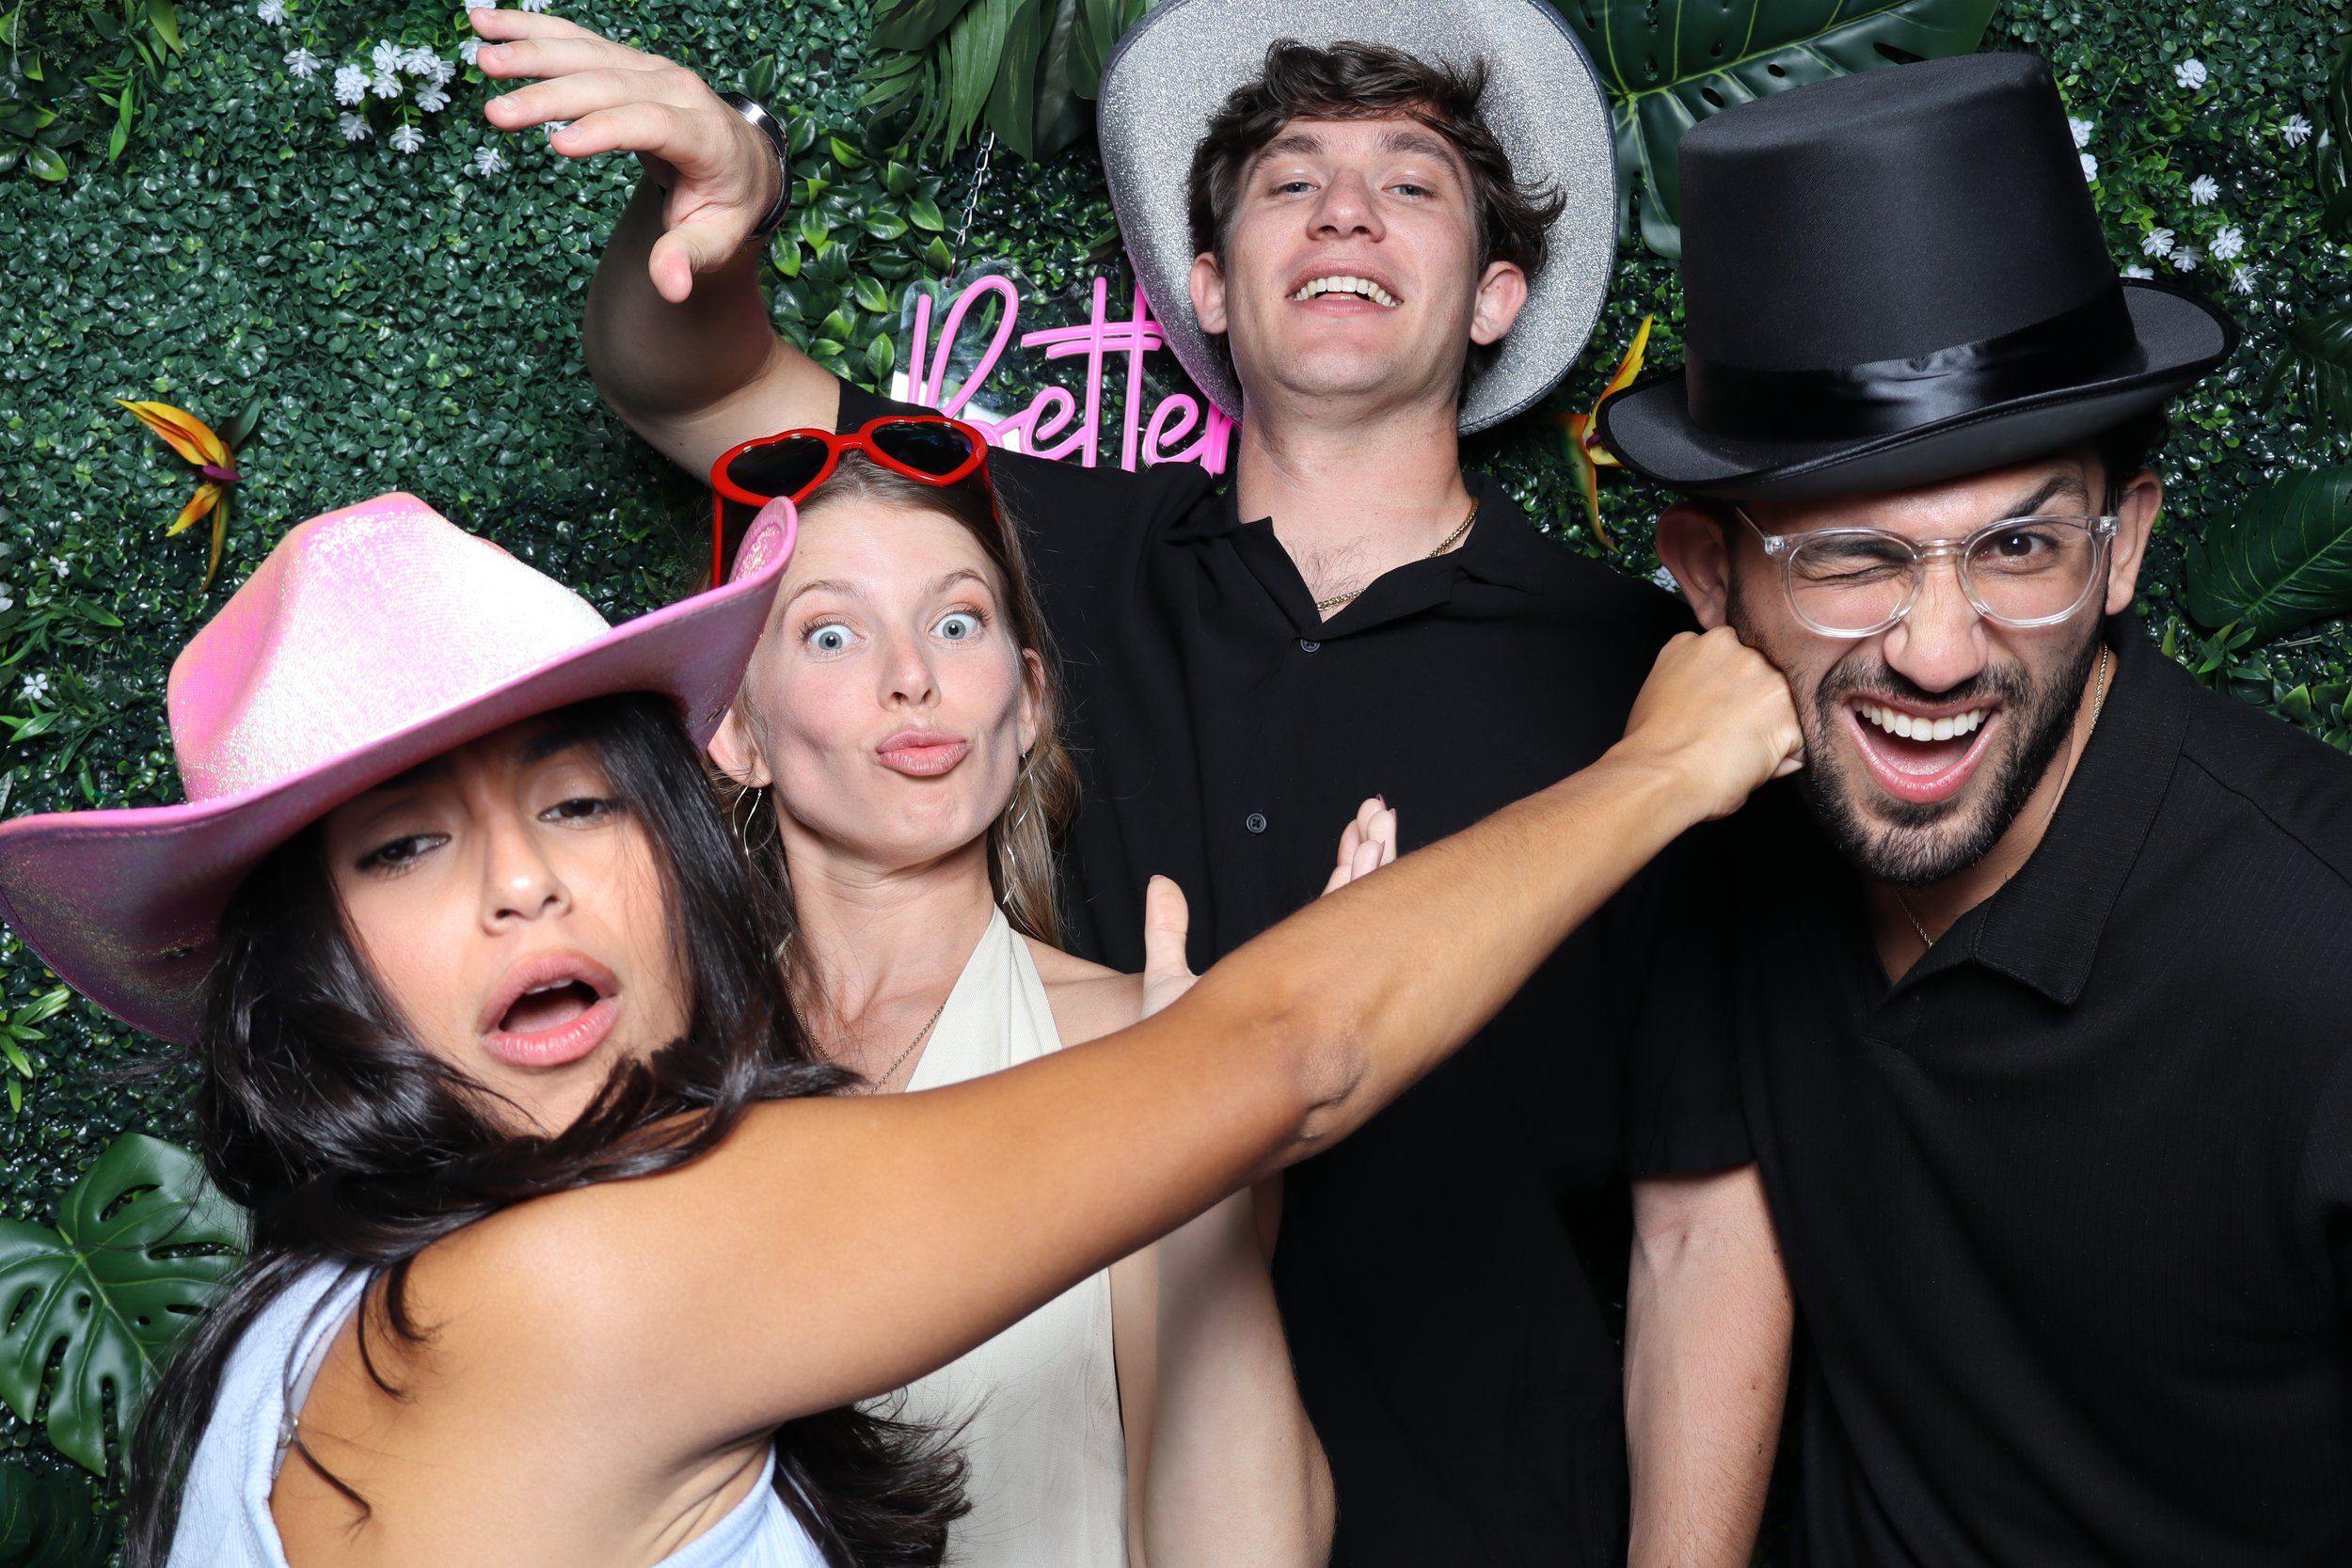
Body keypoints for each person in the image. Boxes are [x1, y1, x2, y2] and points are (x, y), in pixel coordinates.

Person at [474, 0, 1791, 1559]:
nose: (1348, 206)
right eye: (1290, 179)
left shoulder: (1646, 687)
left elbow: (1706, 1216)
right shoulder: (1037, 561)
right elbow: (691, 385)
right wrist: (700, 210)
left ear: (1500, 295)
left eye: (1414, 181)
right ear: (1215, 288)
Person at [0, 490, 1802, 1568]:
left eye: (573, 807)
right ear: (306, 973)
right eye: (405, 850)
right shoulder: (560, 1289)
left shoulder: (318, 1321)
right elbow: (1291, 1056)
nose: (522, 893)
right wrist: (1666, 764)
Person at [1600, 51, 2352, 1567]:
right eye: (1851, 557)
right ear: (1706, 571)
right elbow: (1700, 1227)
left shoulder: (2320, 945)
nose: (1936, 651)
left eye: (2018, 545)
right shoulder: (1719, 826)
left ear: (2124, 547)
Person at [706, 420, 1359, 1566]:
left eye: (956, 622)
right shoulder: (661, 1071)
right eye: (830, 633)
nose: (911, 676)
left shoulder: (1133, 1044)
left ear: (1029, 702)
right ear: (735, 728)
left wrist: (1190, 1110)